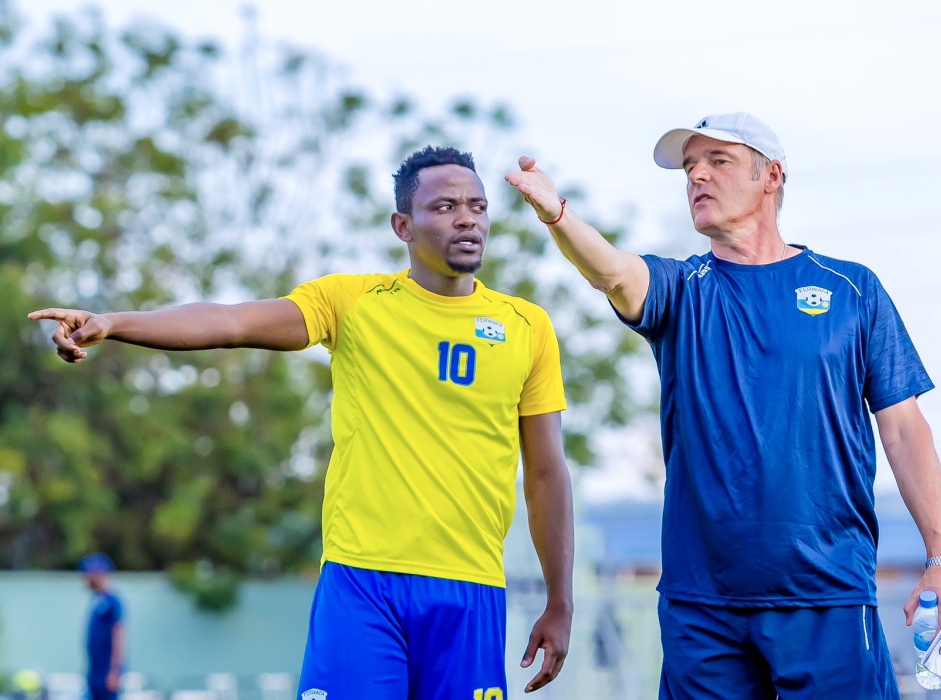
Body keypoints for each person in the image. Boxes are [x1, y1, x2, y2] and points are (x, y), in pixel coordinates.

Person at [30, 146, 575, 698]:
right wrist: (115, 322)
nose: (467, 218)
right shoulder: (352, 302)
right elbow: (231, 321)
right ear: (402, 226)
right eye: (445, 207)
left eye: (478, 206)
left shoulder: (527, 326)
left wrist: (560, 600)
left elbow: (547, 475)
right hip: (363, 583)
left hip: (471, 590)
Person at [505, 113, 941, 698]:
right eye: (689, 168)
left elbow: (904, 430)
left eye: (717, 161)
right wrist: (557, 213)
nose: (697, 176)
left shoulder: (853, 291)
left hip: (825, 592)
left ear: (771, 175)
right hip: (703, 605)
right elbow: (613, 271)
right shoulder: (681, 290)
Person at [80, 553, 123, 700]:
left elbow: (119, 634)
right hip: (95, 671)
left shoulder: (112, 601)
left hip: (107, 672)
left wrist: (115, 671)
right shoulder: (96, 600)